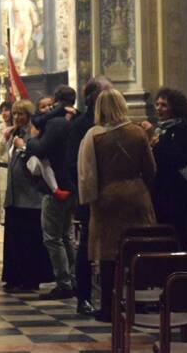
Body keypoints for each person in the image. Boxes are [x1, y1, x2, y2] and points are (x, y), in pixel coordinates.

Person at [78, 88, 156, 322]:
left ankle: (108, 307)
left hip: (107, 197)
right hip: (136, 196)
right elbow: (150, 169)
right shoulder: (137, 133)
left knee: (108, 252)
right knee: (137, 249)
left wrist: (88, 201)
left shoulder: (94, 135)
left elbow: (87, 173)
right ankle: (139, 304)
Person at [14, 85, 77, 300]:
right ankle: (73, 278)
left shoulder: (57, 123)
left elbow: (41, 149)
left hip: (58, 186)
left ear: (58, 102)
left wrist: (28, 142)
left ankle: (65, 282)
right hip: (71, 184)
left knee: (53, 238)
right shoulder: (72, 120)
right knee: (66, 236)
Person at [66, 76, 112, 317]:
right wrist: (86, 191)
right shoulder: (79, 126)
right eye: (107, 92)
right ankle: (83, 297)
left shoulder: (115, 124)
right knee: (86, 247)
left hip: (112, 198)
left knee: (113, 249)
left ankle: (111, 298)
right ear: (94, 97)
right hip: (88, 197)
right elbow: (72, 164)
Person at [2, 99, 54, 292]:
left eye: (21, 114)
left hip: (30, 196)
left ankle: (29, 278)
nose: (17, 117)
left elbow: (36, 163)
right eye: (15, 114)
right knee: (14, 239)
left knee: (28, 240)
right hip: (14, 196)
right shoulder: (13, 133)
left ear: (29, 116)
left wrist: (23, 146)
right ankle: (14, 277)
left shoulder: (33, 134)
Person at [142, 87, 187, 250]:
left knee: (177, 235)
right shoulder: (162, 129)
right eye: (157, 104)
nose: (159, 108)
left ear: (175, 107)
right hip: (160, 190)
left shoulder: (183, 129)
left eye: (164, 105)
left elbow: (179, 159)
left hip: (176, 192)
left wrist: (154, 138)